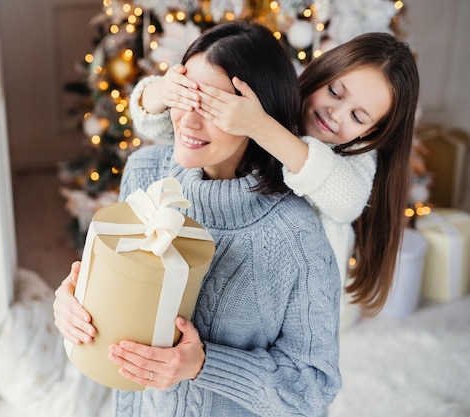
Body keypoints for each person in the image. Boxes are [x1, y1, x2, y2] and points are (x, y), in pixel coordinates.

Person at [54, 21, 341, 417]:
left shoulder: (296, 236)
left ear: (256, 116)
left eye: (213, 107)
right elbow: (116, 304)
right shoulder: (145, 172)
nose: (188, 121)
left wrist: (203, 365)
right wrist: (73, 302)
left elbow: (312, 388)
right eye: (185, 96)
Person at [130, 32, 420, 319]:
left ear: (369, 132)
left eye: (357, 117)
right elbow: (171, 129)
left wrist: (260, 127)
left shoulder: (356, 157)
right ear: (321, 73)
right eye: (334, 92)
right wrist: (163, 91)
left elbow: (347, 200)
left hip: (305, 305)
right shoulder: (276, 101)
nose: (336, 114)